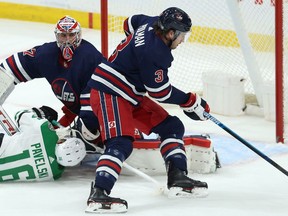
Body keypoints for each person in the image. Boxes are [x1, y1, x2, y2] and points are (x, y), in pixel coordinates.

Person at [86, 7, 211, 213]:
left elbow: (129, 22)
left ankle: (177, 177)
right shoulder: (155, 53)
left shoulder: (150, 22)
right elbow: (159, 92)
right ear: (170, 33)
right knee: (121, 142)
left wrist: (132, 55)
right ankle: (99, 194)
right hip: (109, 91)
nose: (182, 40)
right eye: (181, 36)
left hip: (129, 92)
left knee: (171, 126)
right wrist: (189, 100)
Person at [0, 15, 104, 152]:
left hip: (103, 111)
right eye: (63, 35)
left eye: (71, 35)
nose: (67, 40)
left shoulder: (90, 58)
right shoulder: (47, 54)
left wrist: (77, 133)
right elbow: (12, 67)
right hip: (77, 108)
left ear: (78, 35)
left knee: (80, 143)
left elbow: (96, 101)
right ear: (56, 36)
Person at [0, 106, 86, 182]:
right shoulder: (55, 174)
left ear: (61, 142)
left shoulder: (43, 131)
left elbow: (20, 115)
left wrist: (41, 113)